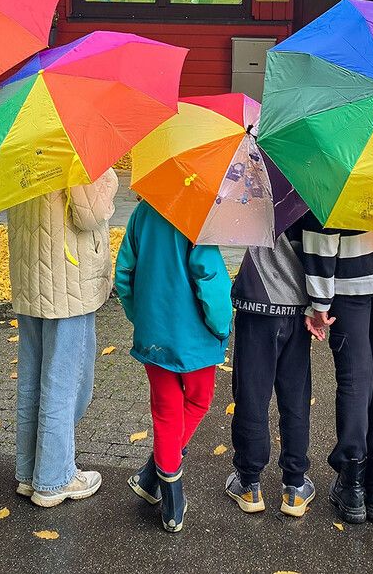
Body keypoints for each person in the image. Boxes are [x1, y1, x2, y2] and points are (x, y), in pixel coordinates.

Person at [114, 199, 232, 533]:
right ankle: (171, 503)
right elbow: (211, 281)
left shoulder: (142, 212)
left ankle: (157, 481)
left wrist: (141, 317)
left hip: (153, 335)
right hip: (194, 339)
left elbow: (124, 273)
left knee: (166, 413)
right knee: (197, 401)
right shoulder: (198, 215)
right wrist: (222, 327)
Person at [7, 168, 119, 507]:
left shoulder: (20, 140)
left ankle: (30, 472)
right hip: (68, 282)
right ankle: (55, 478)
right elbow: (89, 214)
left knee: (33, 379)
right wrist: (109, 178)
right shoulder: (72, 144)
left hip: (30, 277)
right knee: (66, 383)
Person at [299, 213, 373, 525]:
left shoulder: (339, 160)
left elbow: (321, 224)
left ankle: (353, 482)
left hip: (350, 274)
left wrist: (319, 302)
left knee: (355, 378)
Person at [224, 215, 317, 517]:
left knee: (251, 395)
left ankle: (249, 484)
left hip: (256, 306)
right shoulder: (315, 194)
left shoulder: (254, 183)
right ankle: (295, 486)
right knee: (295, 399)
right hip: (298, 309)